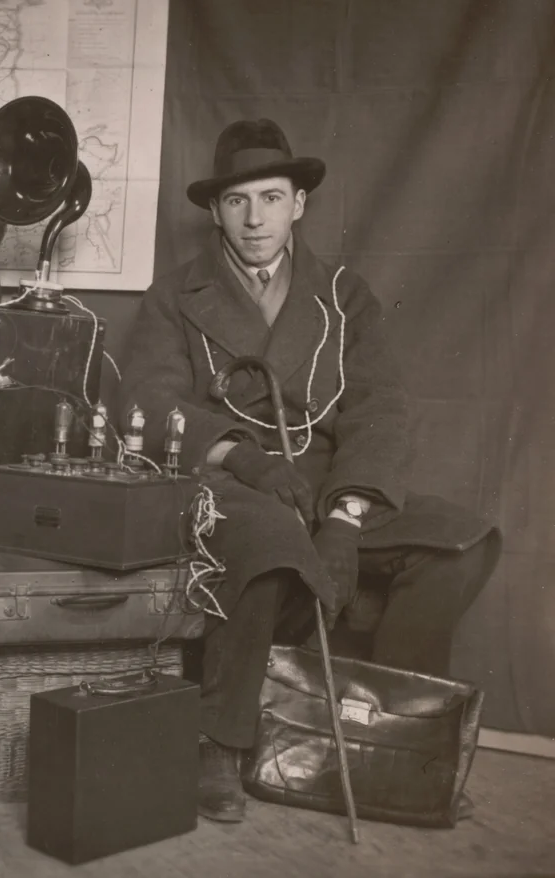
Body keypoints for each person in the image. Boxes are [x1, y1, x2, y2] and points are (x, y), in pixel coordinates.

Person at [119, 118, 501, 824]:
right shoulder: (176, 296)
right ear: (214, 211)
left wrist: (347, 516)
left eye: (271, 196)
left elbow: (378, 408)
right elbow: (146, 398)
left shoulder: (344, 295)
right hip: (230, 481)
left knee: (458, 541)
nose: (255, 216)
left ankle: (386, 740)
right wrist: (243, 458)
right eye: (238, 201)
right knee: (264, 536)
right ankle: (220, 743)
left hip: (329, 484)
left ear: (299, 204)